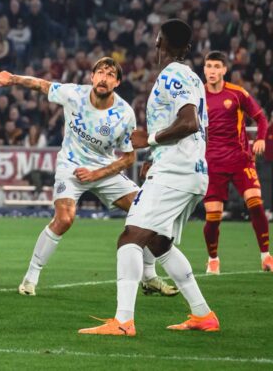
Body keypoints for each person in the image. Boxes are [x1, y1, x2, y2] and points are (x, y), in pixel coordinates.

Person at [80, 19, 218, 336]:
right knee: (158, 242)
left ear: (158, 41)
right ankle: (203, 314)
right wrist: (155, 156)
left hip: (175, 172)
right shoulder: (193, 78)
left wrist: (150, 141)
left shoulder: (172, 75)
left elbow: (189, 123)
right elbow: (198, 129)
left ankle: (123, 321)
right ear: (187, 47)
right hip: (190, 170)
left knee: (130, 238)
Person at [0, 58, 176, 297]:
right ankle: (30, 278)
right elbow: (41, 84)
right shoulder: (73, 94)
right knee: (64, 219)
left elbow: (128, 158)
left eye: (110, 75)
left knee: (148, 212)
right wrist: (12, 79)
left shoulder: (124, 114)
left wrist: (96, 174)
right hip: (71, 166)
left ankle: (149, 276)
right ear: (91, 77)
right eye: (100, 72)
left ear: (117, 82)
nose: (104, 78)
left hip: (103, 170)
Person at [200, 51, 271, 274]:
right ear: (204, 69)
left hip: (240, 159)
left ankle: (266, 256)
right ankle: (213, 259)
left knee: (255, 203)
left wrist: (260, 139)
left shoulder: (237, 93)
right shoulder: (197, 95)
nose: (212, 71)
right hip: (212, 163)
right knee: (213, 217)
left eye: (216, 66)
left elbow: (261, 118)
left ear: (224, 70)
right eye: (208, 66)